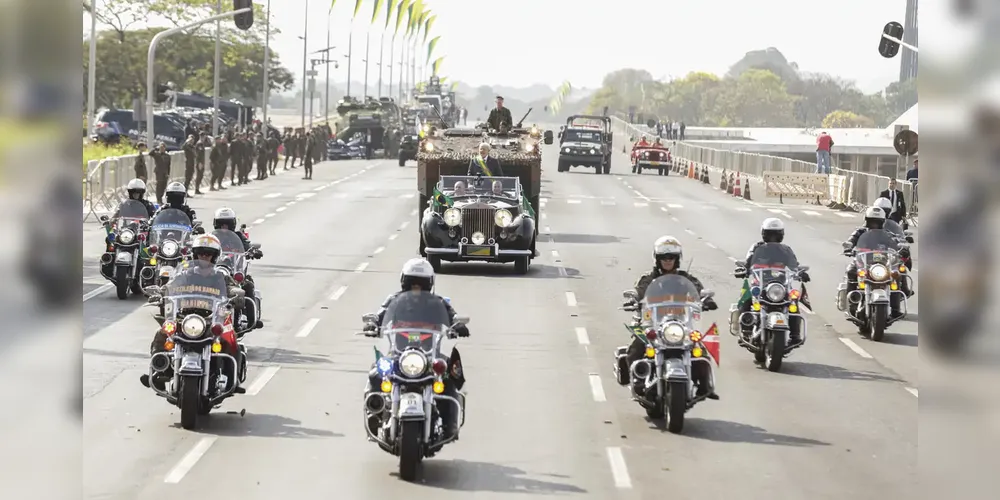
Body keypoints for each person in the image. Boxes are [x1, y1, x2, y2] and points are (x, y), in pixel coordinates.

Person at [363, 258, 469, 438]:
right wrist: (373, 323)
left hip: (429, 355)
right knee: (377, 373)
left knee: (449, 376)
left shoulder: (438, 302)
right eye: (412, 283)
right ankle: (375, 413)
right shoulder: (394, 300)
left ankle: (449, 424)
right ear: (405, 282)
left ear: (429, 284)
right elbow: (380, 314)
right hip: (398, 354)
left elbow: (452, 315)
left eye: (421, 283)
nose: (416, 287)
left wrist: (458, 325)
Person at [139, 234, 245, 392]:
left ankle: (232, 379)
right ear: (195, 255)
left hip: (211, 318)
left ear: (214, 257)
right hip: (185, 317)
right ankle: (158, 372)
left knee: (229, 338)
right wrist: (160, 293)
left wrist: (237, 294)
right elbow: (169, 287)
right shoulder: (185, 275)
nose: (204, 257)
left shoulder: (221, 277)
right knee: (162, 333)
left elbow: (233, 288)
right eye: (201, 254)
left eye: (208, 254)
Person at [622, 236, 718, 397]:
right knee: (637, 346)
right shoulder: (648, 279)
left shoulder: (685, 278)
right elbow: (640, 290)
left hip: (681, 323)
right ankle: (638, 379)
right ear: (657, 259)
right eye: (663, 258)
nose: (668, 261)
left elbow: (697, 290)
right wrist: (634, 298)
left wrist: (706, 299)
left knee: (699, 349)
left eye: (671, 257)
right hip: (652, 323)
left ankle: (704, 384)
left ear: (677, 259)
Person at [736, 218, 811, 341]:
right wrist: (744, 269)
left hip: (780, 285)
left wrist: (800, 273)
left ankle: (795, 334)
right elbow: (748, 261)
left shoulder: (785, 250)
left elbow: (794, 265)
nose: (773, 237)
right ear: (764, 233)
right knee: (746, 298)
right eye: (770, 234)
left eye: (776, 234)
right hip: (759, 283)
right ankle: (745, 330)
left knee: (793, 302)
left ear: (781, 234)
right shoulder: (756, 248)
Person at [842, 207, 904, 316]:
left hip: (882, 263)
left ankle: (895, 308)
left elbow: (896, 242)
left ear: (882, 222)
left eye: (877, 222)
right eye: (872, 221)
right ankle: (852, 303)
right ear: (867, 220)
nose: (874, 224)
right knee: (851, 270)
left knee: (895, 275)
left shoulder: (887, 234)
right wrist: (849, 246)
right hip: (863, 261)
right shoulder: (860, 232)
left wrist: (902, 249)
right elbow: (852, 239)